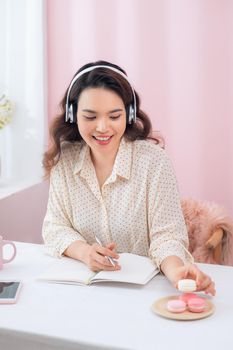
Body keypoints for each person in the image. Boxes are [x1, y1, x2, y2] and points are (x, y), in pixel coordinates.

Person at [42, 60, 215, 296]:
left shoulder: (154, 162)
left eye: (114, 116)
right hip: (83, 295)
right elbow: (55, 227)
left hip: (142, 295)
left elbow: (167, 236)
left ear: (129, 113)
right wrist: (84, 252)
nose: (102, 128)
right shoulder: (65, 162)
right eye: (90, 117)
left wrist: (177, 272)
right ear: (73, 115)